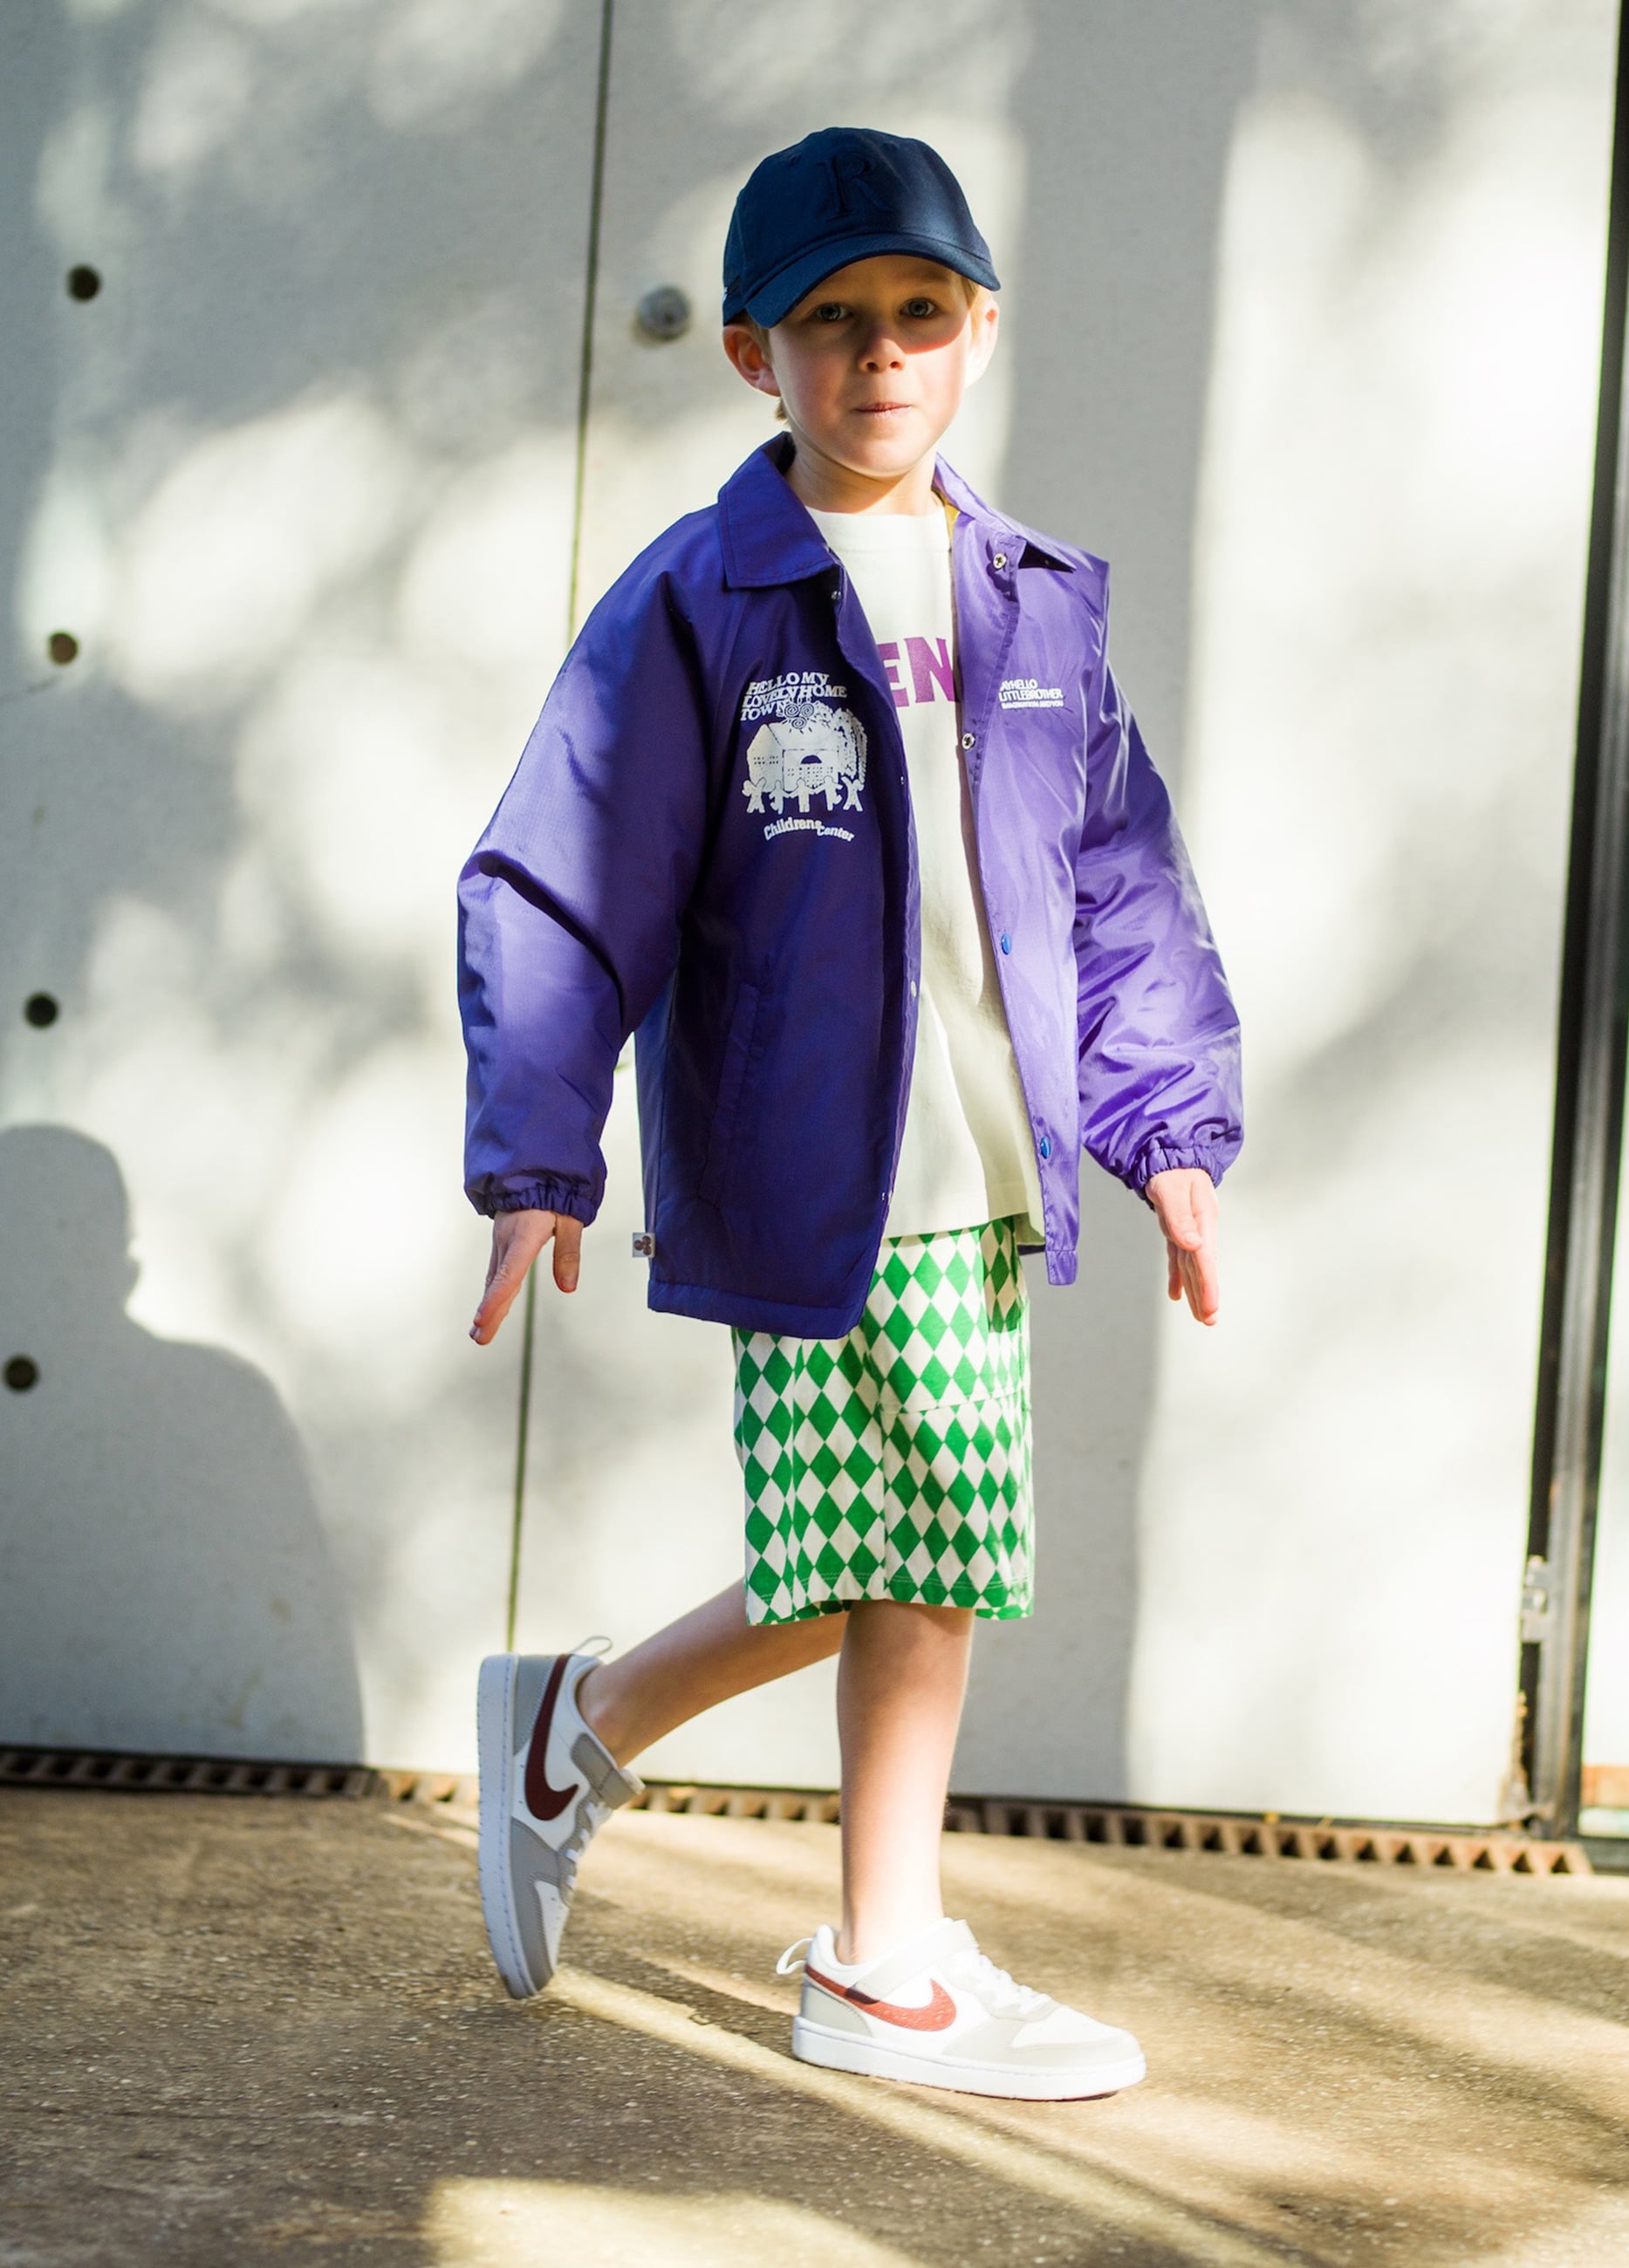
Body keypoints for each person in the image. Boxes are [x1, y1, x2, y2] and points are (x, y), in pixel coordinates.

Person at [457, 126, 1241, 2101]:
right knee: (899, 1546)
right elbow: (568, 873)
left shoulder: (1034, 602)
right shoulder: (706, 596)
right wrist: (542, 1151)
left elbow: (1121, 883)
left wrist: (1169, 1133)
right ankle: (871, 1955)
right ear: (753, 355)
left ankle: (595, 1737)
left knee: (911, 1546)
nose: (878, 354)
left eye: (917, 311)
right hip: (815, 1168)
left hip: (985, 1168)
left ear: (978, 328)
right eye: (829, 321)